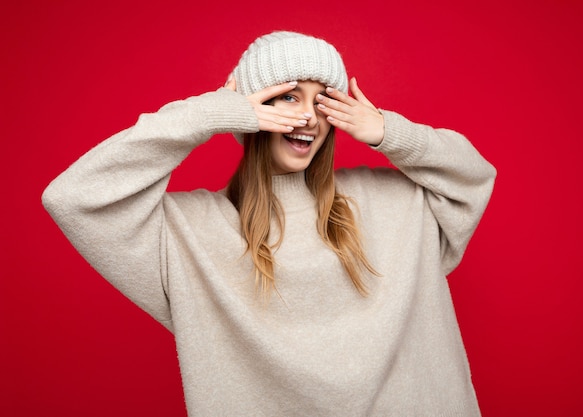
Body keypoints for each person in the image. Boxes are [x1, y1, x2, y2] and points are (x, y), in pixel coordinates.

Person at [42, 31, 496, 416]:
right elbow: (73, 197)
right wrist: (212, 113)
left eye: (323, 102)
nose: (307, 117)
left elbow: (474, 177)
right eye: (287, 97)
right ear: (251, 111)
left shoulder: (396, 203)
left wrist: (389, 132)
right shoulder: (192, 233)